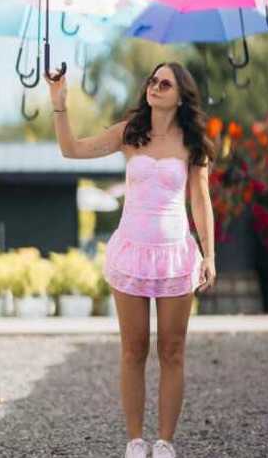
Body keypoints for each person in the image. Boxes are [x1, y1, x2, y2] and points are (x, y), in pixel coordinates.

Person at [47, 62, 218, 458]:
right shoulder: (129, 133)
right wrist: (59, 105)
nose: (155, 87)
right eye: (152, 80)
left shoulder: (193, 143)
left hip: (176, 255)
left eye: (165, 83)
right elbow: (72, 150)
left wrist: (209, 254)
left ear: (181, 95)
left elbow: (200, 200)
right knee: (132, 349)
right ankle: (136, 441)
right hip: (132, 254)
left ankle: (165, 443)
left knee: (172, 351)